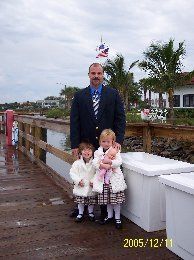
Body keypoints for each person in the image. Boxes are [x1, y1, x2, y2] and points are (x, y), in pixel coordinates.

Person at [70, 62, 126, 219]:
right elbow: (74, 122)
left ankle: (103, 211)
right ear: (88, 75)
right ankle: (79, 205)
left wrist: (118, 140)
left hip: (106, 144)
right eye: (93, 73)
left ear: (103, 75)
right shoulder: (79, 96)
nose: (96, 76)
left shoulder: (113, 94)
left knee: (104, 176)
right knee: (84, 173)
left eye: (99, 73)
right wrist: (75, 145)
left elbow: (120, 119)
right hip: (85, 144)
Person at [92, 129, 127, 229]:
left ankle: (117, 217)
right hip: (104, 181)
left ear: (112, 141)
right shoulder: (97, 152)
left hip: (114, 180)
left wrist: (111, 163)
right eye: (103, 141)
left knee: (116, 200)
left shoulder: (115, 151)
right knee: (108, 200)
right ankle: (110, 216)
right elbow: (95, 163)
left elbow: (119, 162)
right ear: (100, 142)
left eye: (108, 141)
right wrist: (102, 165)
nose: (106, 143)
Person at [69, 142, 96, 222]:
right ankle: (80, 213)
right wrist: (77, 181)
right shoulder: (77, 163)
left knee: (91, 201)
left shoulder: (95, 163)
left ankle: (91, 213)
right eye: (84, 150)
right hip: (81, 185)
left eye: (89, 150)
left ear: (92, 152)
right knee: (80, 201)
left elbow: (98, 173)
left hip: (91, 186)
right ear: (80, 152)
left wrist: (93, 181)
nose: (86, 152)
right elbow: (72, 173)